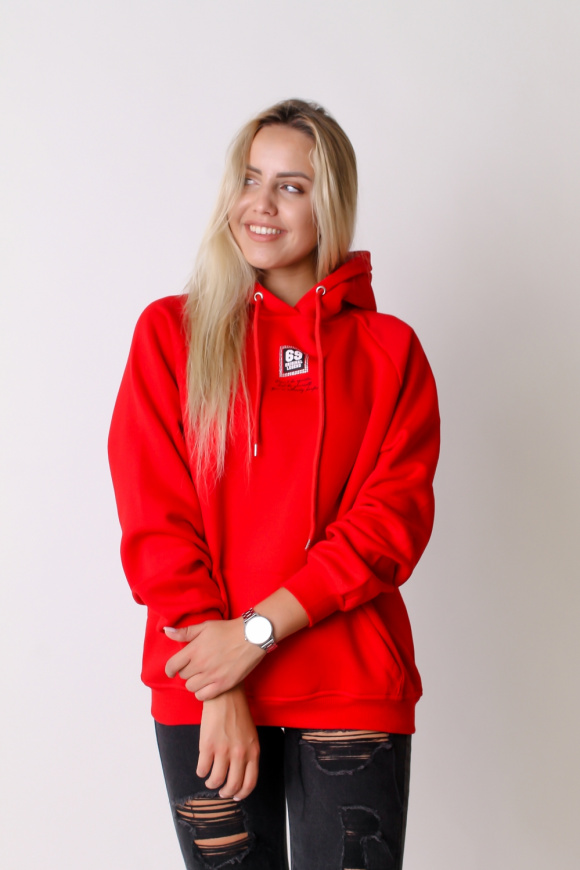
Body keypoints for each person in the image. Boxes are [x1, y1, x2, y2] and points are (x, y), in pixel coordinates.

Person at [108, 98, 440, 870]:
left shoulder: (389, 351)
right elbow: (157, 522)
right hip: (204, 687)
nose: (261, 203)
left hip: (350, 686)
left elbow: (389, 525)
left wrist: (253, 635)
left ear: (331, 206)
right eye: (250, 179)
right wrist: (219, 682)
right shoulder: (171, 334)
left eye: (291, 186)